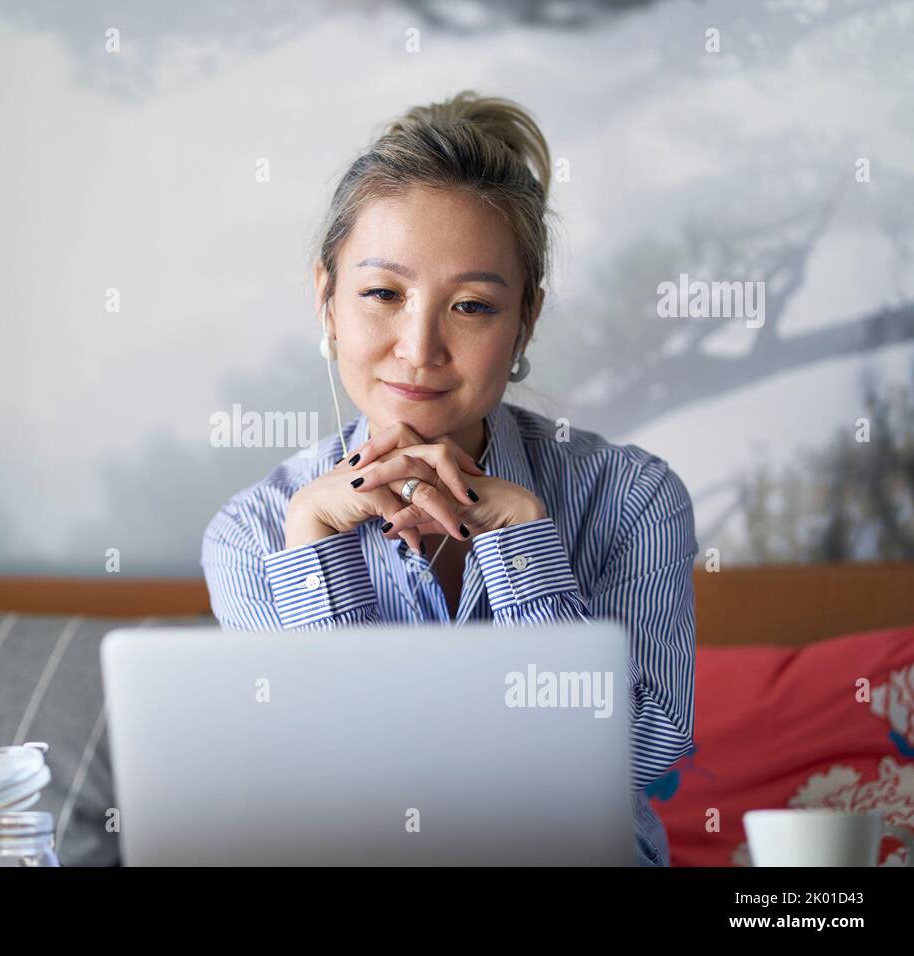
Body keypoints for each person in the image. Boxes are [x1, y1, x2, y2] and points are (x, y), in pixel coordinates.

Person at [201, 91, 697, 866]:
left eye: (471, 305)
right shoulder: (254, 533)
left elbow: (646, 753)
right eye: (382, 294)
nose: (420, 347)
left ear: (525, 321)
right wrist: (314, 553)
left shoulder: (632, 499)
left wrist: (527, 551)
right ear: (327, 304)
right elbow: (329, 794)